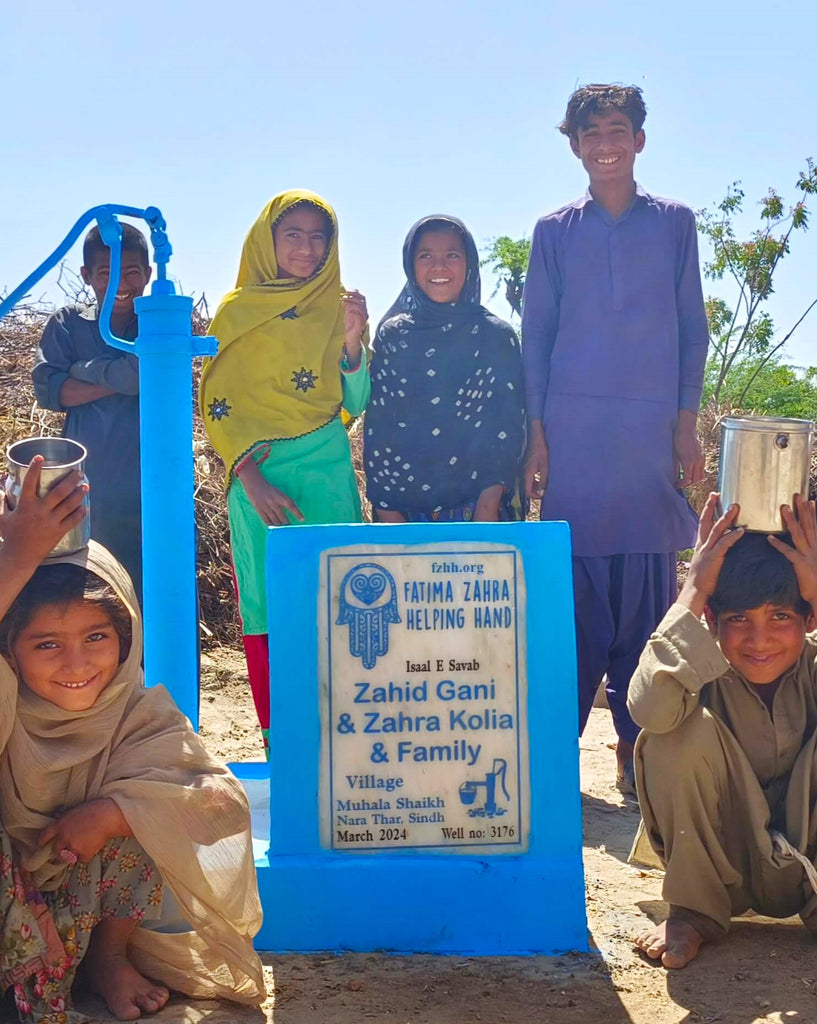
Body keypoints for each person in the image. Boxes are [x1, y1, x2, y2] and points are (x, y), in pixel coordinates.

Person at [0, 458, 265, 1021]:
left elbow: (221, 801)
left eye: (96, 636)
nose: (77, 662)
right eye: (46, 644)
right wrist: (16, 555)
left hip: (78, 913)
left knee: (151, 798)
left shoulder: (135, 713)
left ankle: (108, 957)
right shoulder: (5, 702)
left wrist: (116, 812)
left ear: (126, 639)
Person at [521, 84, 710, 791]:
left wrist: (684, 423)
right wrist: (536, 435)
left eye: (617, 128)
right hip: (572, 434)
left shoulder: (674, 223)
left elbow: (691, 327)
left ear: (638, 139)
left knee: (644, 598)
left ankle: (636, 751)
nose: (604, 142)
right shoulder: (554, 231)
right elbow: (535, 334)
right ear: (573, 145)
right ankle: (552, 759)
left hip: (645, 435)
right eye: (590, 131)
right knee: (572, 606)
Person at [200, 189, 370, 756]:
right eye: (292, 234)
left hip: (327, 474)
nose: (306, 247)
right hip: (260, 481)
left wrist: (352, 340)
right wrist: (249, 478)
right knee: (270, 607)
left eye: (318, 236)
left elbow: (355, 400)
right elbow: (216, 402)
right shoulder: (235, 312)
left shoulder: (336, 306)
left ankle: (347, 743)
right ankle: (285, 747)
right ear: (267, 240)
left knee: (341, 602)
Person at [630, 492, 817, 969]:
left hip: (808, 874)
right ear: (712, 620)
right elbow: (650, 709)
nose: (760, 640)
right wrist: (692, 590)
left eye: (781, 616)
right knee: (675, 732)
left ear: (808, 618)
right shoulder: (697, 668)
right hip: (724, 866)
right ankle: (693, 913)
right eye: (738, 620)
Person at [364, 215, 526, 522]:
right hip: (404, 509)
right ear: (410, 265)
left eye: (452, 255)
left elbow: (504, 428)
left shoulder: (495, 336)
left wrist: (488, 506)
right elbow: (380, 427)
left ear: (470, 263)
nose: (439, 267)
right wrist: (386, 510)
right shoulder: (393, 336)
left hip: (478, 507)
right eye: (426, 256)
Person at [32, 224, 150, 603]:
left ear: (149, 273)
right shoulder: (67, 324)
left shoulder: (156, 322)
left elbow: (146, 377)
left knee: (156, 591)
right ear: (86, 276)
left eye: (132, 270)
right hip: (89, 488)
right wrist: (125, 376)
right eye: (107, 272)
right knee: (97, 596)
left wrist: (84, 369)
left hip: (151, 483)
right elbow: (52, 391)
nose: (121, 281)